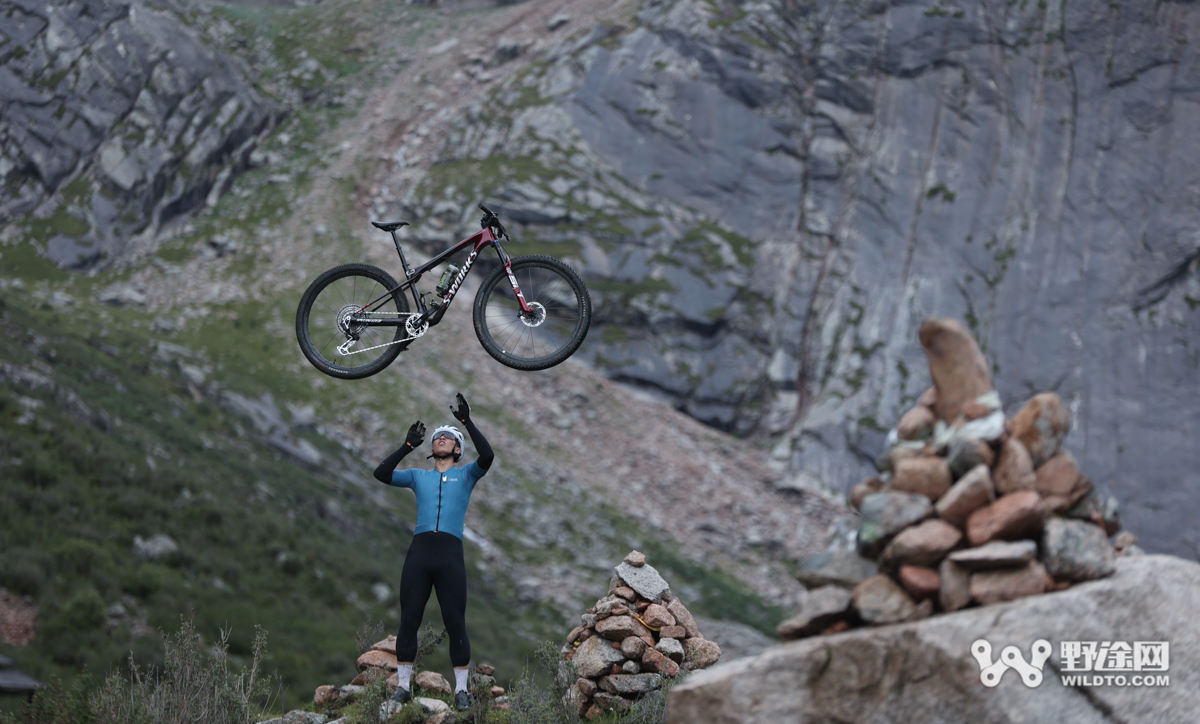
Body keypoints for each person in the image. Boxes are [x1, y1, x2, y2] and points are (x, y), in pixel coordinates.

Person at [373, 392, 493, 711]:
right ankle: (402, 688)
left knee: (455, 623)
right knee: (409, 620)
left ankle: (461, 691)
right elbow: (381, 474)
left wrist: (466, 422)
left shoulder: (467, 474)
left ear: (457, 449)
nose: (440, 438)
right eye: (437, 436)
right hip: (420, 553)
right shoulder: (418, 476)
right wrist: (407, 446)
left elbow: (488, 456)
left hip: (450, 555)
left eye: (448, 437)